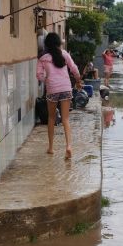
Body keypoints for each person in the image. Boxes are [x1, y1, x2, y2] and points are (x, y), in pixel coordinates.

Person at [36, 32, 82, 160]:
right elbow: (74, 69)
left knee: (51, 118)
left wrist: (47, 80)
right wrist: (78, 80)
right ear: (58, 43)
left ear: (46, 44)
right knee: (65, 119)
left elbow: (39, 75)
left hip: (52, 90)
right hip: (66, 88)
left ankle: (51, 148)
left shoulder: (43, 58)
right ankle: (68, 146)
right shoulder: (65, 54)